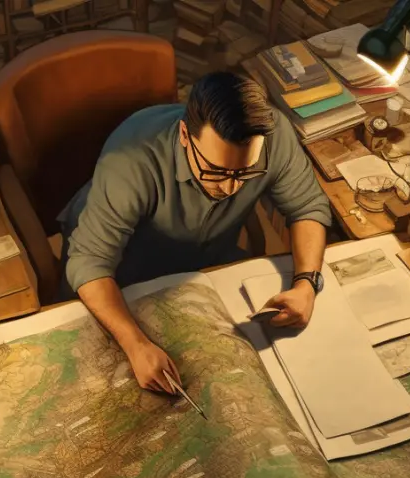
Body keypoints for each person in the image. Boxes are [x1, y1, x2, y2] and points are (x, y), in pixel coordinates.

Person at [60, 71, 332, 394]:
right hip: (122, 274)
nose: (230, 188)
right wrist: (135, 344)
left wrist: (306, 284)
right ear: (185, 136)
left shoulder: (273, 134)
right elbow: (90, 263)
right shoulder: (131, 159)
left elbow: (307, 207)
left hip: (205, 264)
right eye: (216, 171)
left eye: (245, 172)